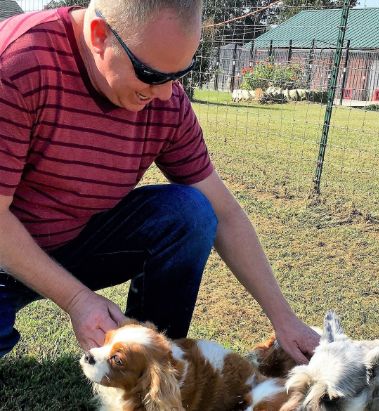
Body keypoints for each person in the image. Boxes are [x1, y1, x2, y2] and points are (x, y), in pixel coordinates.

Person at [0, 0, 319, 363]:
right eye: (151, 74)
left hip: (72, 238)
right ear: (98, 36)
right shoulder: (16, 64)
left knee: (190, 212)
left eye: (180, 73)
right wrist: (76, 299)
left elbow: (223, 213)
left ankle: (152, 365)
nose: (167, 94)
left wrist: (284, 319)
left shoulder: (166, 102)